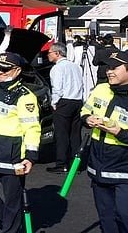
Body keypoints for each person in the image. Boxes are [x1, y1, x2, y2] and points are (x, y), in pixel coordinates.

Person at [81, 50, 128, 233]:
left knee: (127, 215)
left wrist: (120, 132)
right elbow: (85, 110)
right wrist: (88, 119)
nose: (109, 71)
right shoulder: (101, 89)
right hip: (99, 166)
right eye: (108, 68)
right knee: (106, 217)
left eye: (114, 68)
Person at [0, 51, 42, 233]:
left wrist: (31, 157)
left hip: (12, 158)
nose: (0, 72)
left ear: (17, 71)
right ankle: (9, 222)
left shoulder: (25, 97)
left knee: (13, 201)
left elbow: (32, 128)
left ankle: (10, 227)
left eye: (5, 69)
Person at [46, 42, 84, 173]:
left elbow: (57, 88)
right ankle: (76, 164)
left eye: (49, 53)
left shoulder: (57, 68)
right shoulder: (76, 67)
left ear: (57, 53)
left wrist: (54, 103)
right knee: (75, 134)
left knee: (61, 134)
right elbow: (81, 85)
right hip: (77, 101)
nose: (48, 55)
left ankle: (62, 163)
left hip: (64, 102)